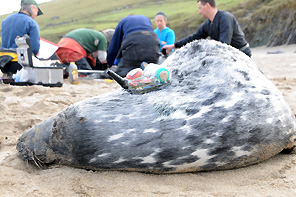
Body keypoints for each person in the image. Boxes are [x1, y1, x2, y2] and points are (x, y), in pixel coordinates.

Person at [163, 0, 252, 57]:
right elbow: (194, 37)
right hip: (230, 55)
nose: (199, 12)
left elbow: (224, 44)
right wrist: (174, 45)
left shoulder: (225, 18)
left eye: (200, 8)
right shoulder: (208, 24)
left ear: (207, 5)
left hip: (242, 53)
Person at [1, 0, 43, 75]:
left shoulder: (5, 21)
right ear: (33, 7)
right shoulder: (31, 23)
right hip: (21, 65)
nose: (36, 15)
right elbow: (34, 48)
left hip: (4, 64)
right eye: (37, 12)